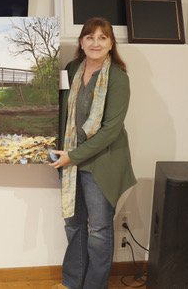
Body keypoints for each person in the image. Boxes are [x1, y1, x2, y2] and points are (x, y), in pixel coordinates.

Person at [50, 17, 136, 289]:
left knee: (98, 231)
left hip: (102, 163)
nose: (95, 42)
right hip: (70, 162)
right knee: (74, 226)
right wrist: (49, 146)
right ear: (81, 42)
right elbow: (60, 113)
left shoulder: (118, 78)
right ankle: (72, 282)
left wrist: (73, 156)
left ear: (111, 44)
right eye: (90, 37)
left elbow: (111, 130)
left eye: (102, 37)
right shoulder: (71, 69)